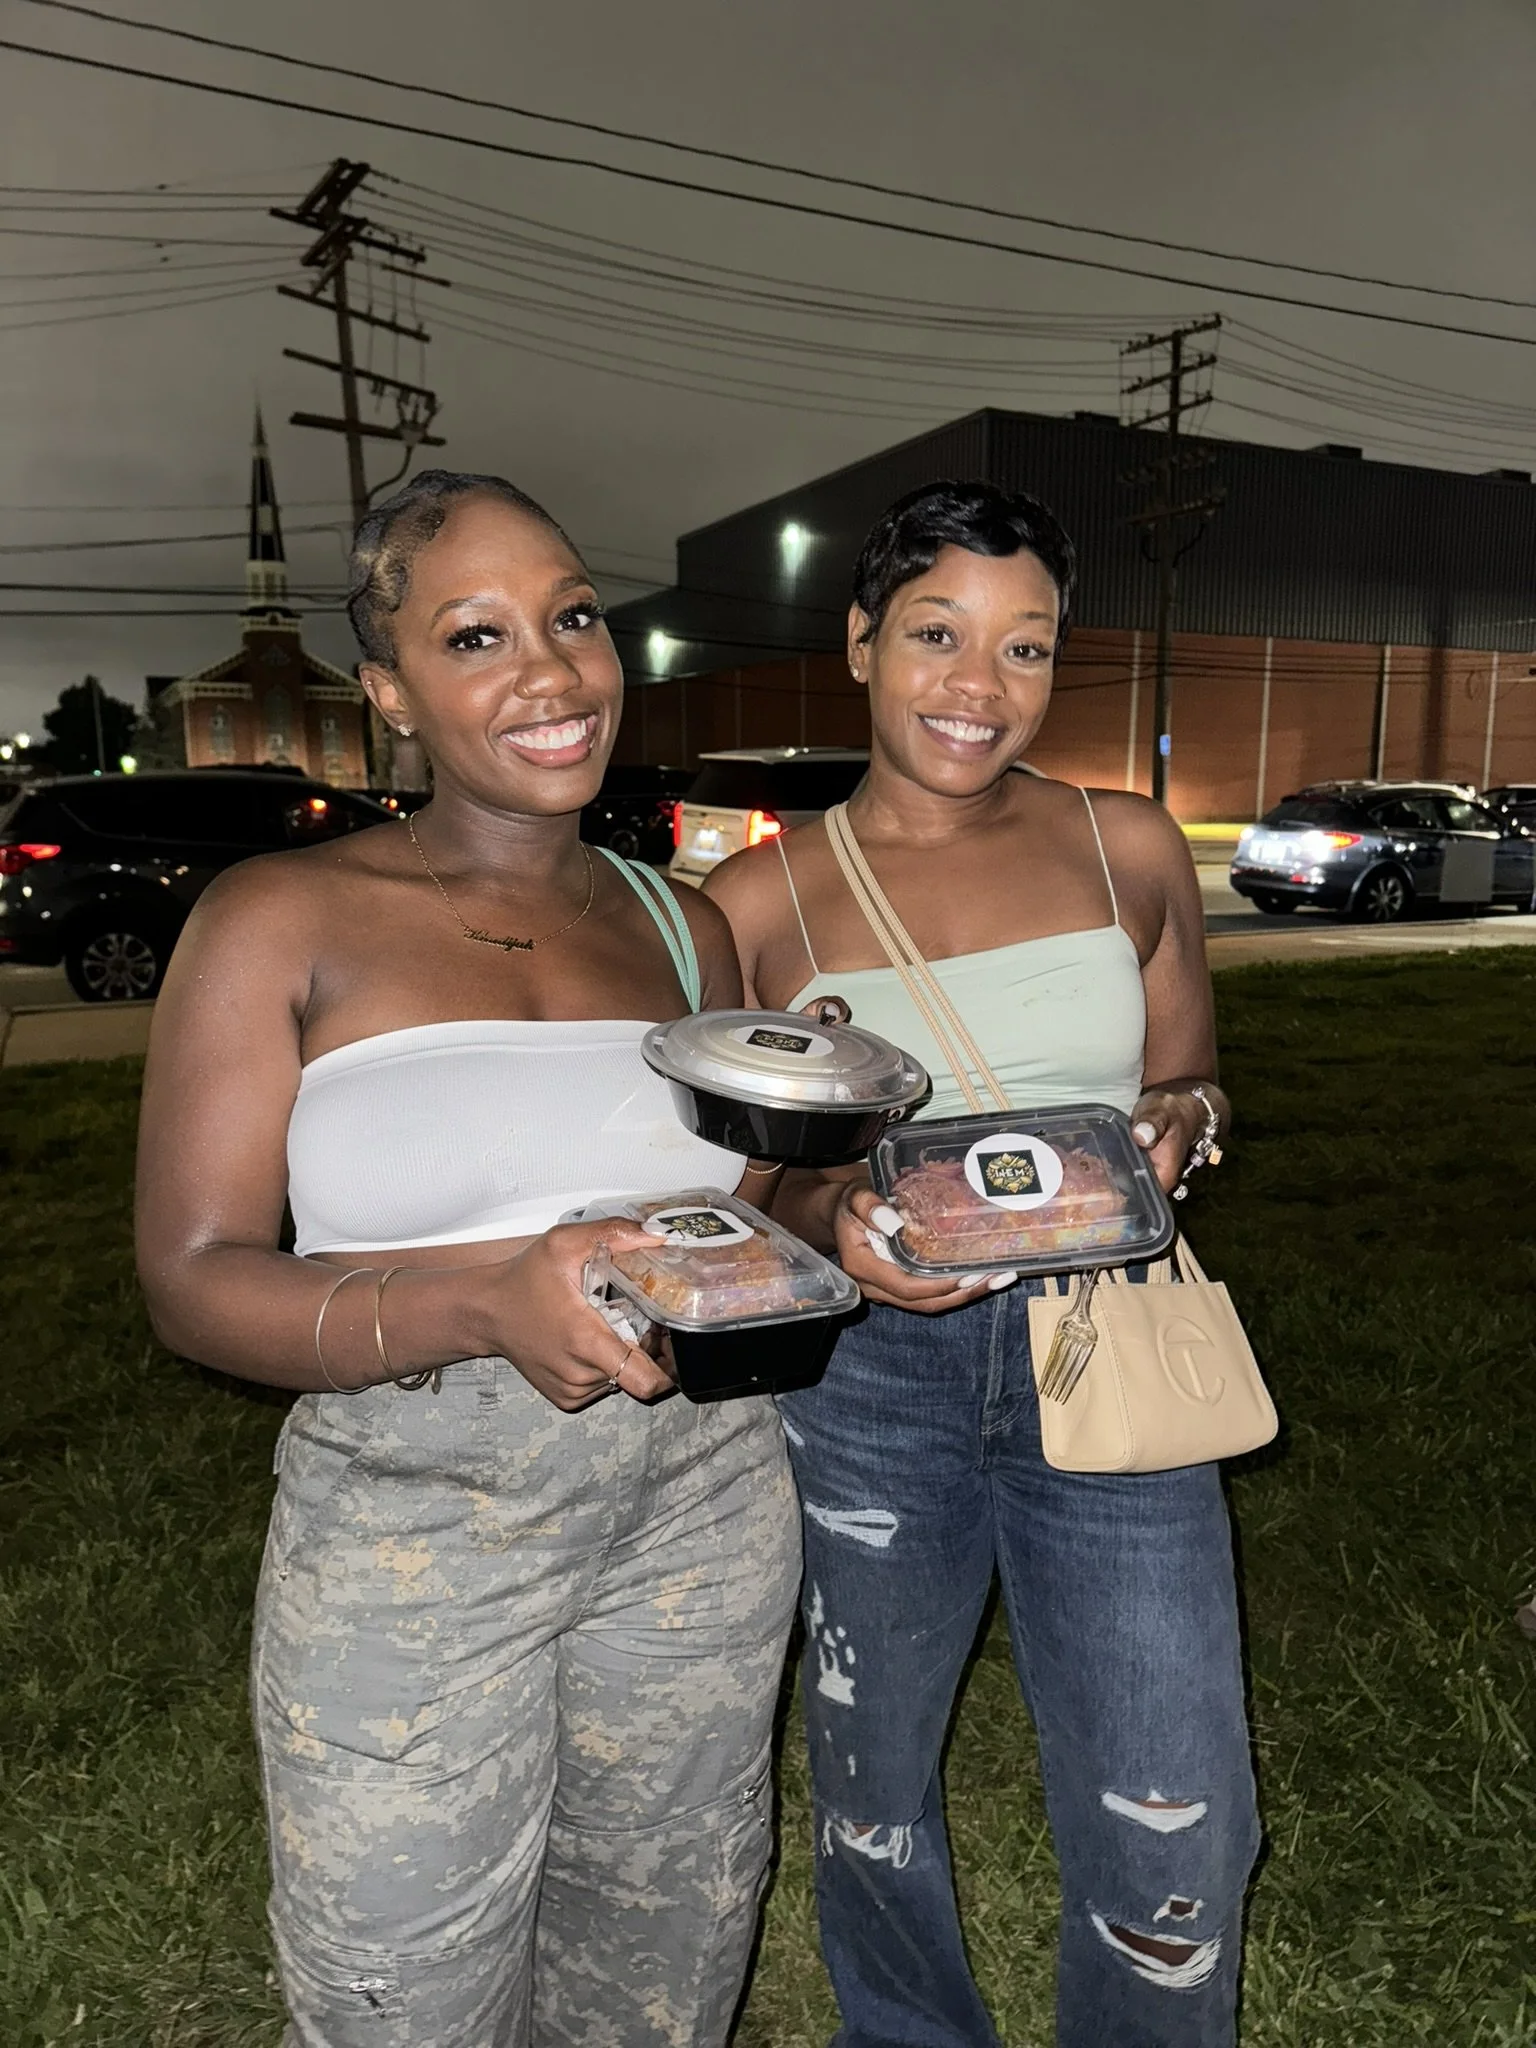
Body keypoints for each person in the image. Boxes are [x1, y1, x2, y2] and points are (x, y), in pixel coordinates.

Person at [135, 470, 800, 2048]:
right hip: (415, 1522)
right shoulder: (278, 914)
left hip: (705, 1499)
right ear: (391, 694)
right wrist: (482, 1303)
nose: (554, 672)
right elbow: (192, 1275)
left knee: (664, 1956)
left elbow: (736, 1207)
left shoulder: (686, 922)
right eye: (478, 635)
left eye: (573, 617)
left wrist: (846, 1197)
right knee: (403, 1992)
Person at [705, 480, 1261, 2048]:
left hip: (1113, 1346)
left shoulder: (1128, 844)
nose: (979, 686)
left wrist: (1178, 1123)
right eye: (939, 635)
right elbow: (750, 1182)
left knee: (1185, 1806)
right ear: (864, 641)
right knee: (871, 1788)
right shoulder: (755, 902)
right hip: (869, 1379)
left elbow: (1196, 1075)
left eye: (1026, 649)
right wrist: (840, 1230)